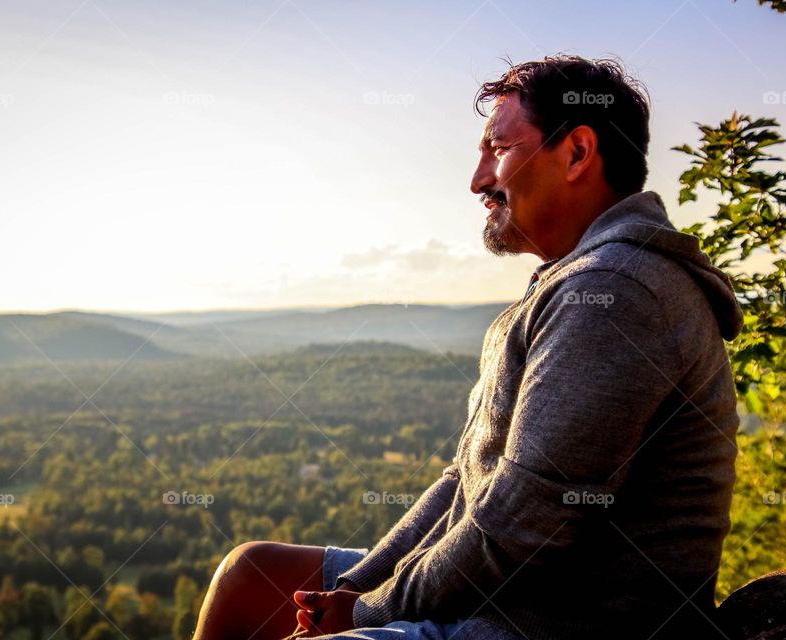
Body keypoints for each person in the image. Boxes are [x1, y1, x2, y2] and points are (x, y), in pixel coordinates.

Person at [192, 55, 743, 640]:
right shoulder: (577, 279)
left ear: (578, 152)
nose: (478, 180)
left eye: (498, 149)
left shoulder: (613, 290)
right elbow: (466, 485)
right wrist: (358, 585)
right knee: (251, 573)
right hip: (508, 590)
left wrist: (367, 613)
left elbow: (524, 526)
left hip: (560, 618)